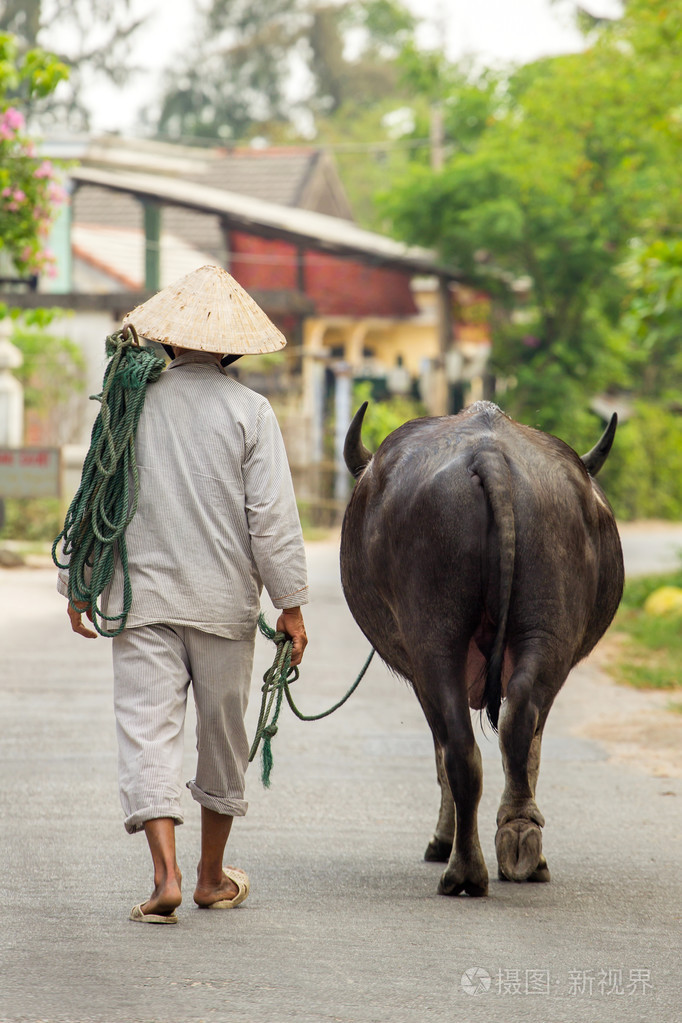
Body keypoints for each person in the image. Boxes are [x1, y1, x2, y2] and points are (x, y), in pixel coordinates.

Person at [58, 265, 308, 924]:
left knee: (147, 731)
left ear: (167, 341)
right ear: (232, 349)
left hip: (140, 602)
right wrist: (289, 603)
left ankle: (164, 875)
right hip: (224, 606)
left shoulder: (129, 404)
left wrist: (77, 581)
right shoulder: (251, 412)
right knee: (222, 739)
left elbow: (95, 493)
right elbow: (272, 519)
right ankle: (208, 876)